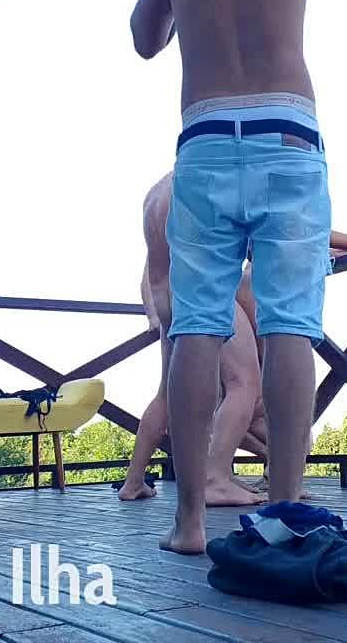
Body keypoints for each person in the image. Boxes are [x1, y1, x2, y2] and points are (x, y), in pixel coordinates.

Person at [131, 0, 347, 553]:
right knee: (290, 328)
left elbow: (145, 39)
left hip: (204, 134)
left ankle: (189, 523)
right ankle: (283, 514)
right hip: (287, 131)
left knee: (196, 327)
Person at [120, 175, 269, 507]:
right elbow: (260, 241)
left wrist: (154, 314)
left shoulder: (155, 193)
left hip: (170, 297)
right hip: (205, 292)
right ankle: (216, 478)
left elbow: (150, 267)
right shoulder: (202, 179)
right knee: (244, 383)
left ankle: (134, 481)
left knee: (166, 394)